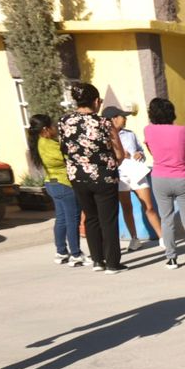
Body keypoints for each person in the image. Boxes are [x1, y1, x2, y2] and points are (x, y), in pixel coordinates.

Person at [60, 83, 126, 272]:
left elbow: (64, 148)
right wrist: (114, 163)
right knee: (108, 220)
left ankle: (97, 260)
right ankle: (112, 263)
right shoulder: (104, 122)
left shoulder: (64, 121)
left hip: (78, 176)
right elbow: (119, 152)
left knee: (90, 217)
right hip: (104, 176)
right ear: (96, 101)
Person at [142, 96, 185, 268]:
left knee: (166, 219)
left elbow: (152, 151)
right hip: (182, 177)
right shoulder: (182, 130)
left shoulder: (148, 130)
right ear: (171, 112)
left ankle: (171, 258)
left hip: (160, 178)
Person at [27, 114, 83, 266]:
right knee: (72, 220)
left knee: (62, 219)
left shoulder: (38, 142)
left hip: (52, 184)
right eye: (53, 126)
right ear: (45, 129)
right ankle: (76, 255)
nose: (55, 128)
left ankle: (61, 252)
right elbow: (68, 157)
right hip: (64, 184)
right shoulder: (48, 144)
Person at [104, 105, 160, 251]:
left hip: (136, 172)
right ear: (114, 119)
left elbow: (140, 150)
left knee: (149, 206)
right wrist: (119, 155)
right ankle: (134, 239)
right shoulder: (103, 136)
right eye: (123, 116)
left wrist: (139, 154)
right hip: (120, 175)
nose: (125, 119)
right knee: (126, 207)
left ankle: (163, 237)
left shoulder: (130, 134)